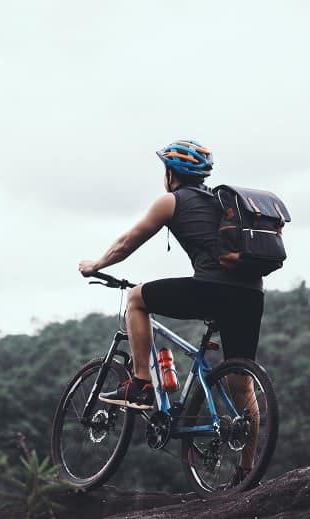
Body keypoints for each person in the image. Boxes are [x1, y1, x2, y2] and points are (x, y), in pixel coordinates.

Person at [77, 139, 264, 480]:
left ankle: (143, 384)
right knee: (243, 383)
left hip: (211, 288)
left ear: (170, 173)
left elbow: (126, 243)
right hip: (251, 295)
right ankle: (247, 472)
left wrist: (96, 264)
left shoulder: (171, 201)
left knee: (136, 298)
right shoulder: (222, 203)